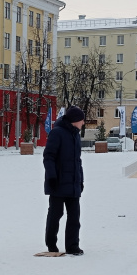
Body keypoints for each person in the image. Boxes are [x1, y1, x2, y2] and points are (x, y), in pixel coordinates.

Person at [43, 106, 86, 256]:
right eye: (81, 120)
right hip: (58, 182)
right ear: (75, 120)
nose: (83, 123)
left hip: (73, 183)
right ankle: (51, 244)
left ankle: (73, 246)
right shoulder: (57, 133)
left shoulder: (75, 135)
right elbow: (48, 157)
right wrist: (52, 177)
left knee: (74, 217)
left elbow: (77, 161)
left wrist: (80, 180)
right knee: (55, 214)